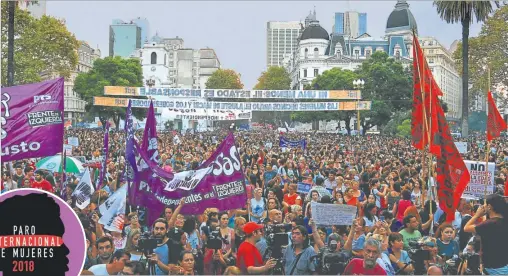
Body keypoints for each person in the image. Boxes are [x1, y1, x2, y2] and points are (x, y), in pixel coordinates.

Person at [464, 194, 508, 274]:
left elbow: (466, 228)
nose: (483, 206)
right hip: (503, 264)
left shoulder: (489, 224)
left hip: (494, 268)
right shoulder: (504, 221)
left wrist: (477, 215)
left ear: (489, 206)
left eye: (484, 204)